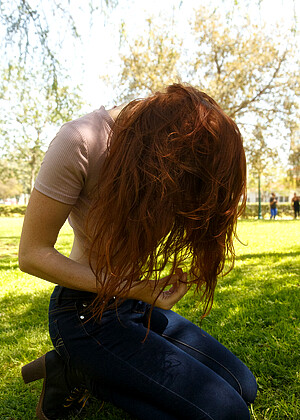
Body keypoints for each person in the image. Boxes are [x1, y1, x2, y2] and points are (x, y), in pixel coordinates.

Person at [19, 83, 257, 420]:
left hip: (134, 307)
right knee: (228, 414)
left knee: (244, 386)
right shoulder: (80, 141)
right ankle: (78, 371)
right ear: (164, 150)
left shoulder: (173, 152)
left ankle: (89, 369)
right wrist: (133, 287)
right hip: (85, 315)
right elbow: (31, 254)